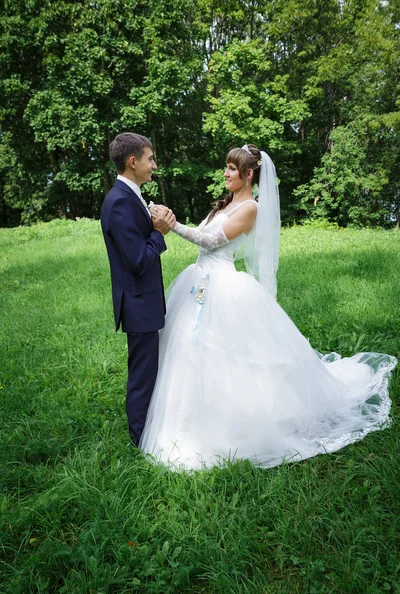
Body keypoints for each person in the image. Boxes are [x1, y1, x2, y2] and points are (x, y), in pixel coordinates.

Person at [140, 144, 397, 470]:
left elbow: (211, 241)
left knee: (224, 355)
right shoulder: (227, 203)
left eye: (232, 169)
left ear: (249, 174)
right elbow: (205, 232)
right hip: (199, 282)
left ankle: (233, 424)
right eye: (227, 167)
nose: (226, 173)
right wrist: (170, 217)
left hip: (222, 286)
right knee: (187, 348)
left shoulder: (250, 208)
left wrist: (172, 224)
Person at [100, 132, 175, 446]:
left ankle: (146, 429)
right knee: (142, 376)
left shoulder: (129, 196)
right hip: (138, 304)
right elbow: (138, 260)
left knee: (147, 370)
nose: (154, 165)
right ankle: (141, 439)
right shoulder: (119, 201)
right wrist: (159, 232)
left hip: (142, 302)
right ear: (133, 162)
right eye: (150, 158)